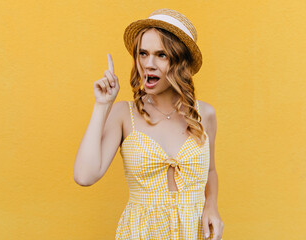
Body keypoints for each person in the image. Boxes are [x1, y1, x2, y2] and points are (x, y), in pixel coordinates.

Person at [74, 8, 224, 240]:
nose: (148, 64)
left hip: (194, 233)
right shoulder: (124, 113)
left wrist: (211, 206)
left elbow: (211, 170)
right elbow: (84, 176)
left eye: (161, 55)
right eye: (143, 53)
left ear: (180, 62)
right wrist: (102, 105)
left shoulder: (205, 114)